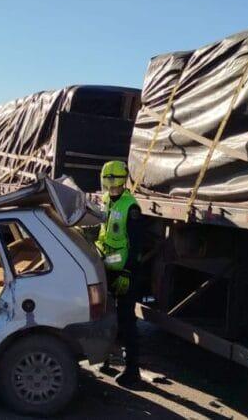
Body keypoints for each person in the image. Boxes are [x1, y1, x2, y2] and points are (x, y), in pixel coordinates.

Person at [95, 160, 143, 387]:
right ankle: (106, 358)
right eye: (107, 181)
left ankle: (133, 370)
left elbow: (136, 246)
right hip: (107, 267)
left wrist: (127, 272)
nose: (111, 186)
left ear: (123, 180)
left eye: (114, 180)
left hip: (124, 270)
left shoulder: (130, 207)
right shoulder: (106, 202)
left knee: (126, 321)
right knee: (106, 316)